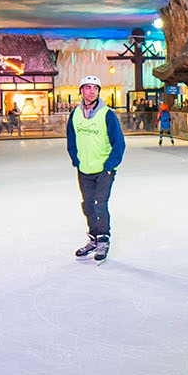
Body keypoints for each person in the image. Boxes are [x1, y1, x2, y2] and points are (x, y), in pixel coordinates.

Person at [67, 75, 125, 263]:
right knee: (88, 205)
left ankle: (103, 239)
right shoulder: (75, 114)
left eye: (95, 88)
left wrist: (110, 166)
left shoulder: (107, 114)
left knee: (101, 204)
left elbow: (119, 144)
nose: (91, 91)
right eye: (87, 87)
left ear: (98, 91)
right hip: (84, 169)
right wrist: (76, 160)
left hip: (103, 169)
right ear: (81, 91)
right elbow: (71, 140)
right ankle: (93, 237)